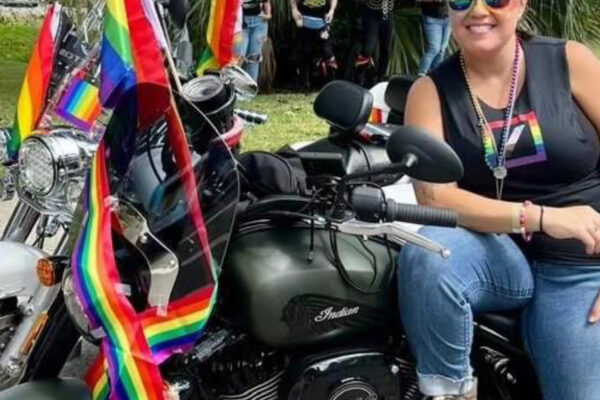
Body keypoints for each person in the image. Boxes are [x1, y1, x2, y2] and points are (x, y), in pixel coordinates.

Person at [397, 0, 600, 399]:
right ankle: (448, 392)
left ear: (521, 4)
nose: (477, 10)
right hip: (494, 251)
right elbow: (435, 197)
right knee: (428, 253)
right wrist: (538, 217)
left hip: (580, 266)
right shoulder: (430, 91)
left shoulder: (569, 60)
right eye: (461, 0)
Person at [291, 0, 338, 88]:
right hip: (304, 25)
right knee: (305, 53)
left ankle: (331, 82)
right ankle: (303, 83)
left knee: (327, 52)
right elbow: (294, 3)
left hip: (322, 24)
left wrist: (332, 10)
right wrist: (295, 11)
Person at [354, 0, 395, 86]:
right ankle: (359, 76)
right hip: (372, 13)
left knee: (386, 48)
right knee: (368, 48)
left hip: (387, 13)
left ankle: (380, 77)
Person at [236, 0, 272, 82]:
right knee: (239, 56)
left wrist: (268, 14)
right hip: (241, 22)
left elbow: (266, 1)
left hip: (259, 22)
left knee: (254, 57)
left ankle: (251, 87)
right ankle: (233, 87)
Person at [417, 0, 451, 76]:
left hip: (448, 17)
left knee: (442, 50)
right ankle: (421, 74)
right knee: (434, 49)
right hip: (432, 18)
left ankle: (436, 76)